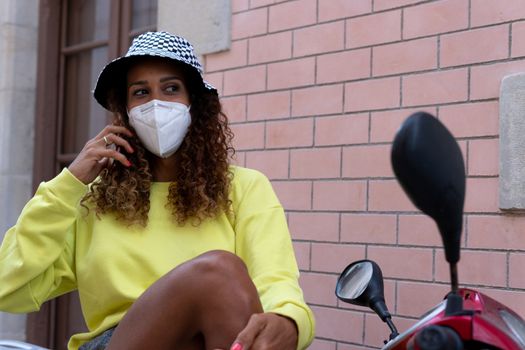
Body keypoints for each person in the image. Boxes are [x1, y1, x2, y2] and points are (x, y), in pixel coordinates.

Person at [0, 31, 315, 350]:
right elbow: (7, 288)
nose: (155, 104)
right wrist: (68, 184)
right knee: (217, 273)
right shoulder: (92, 200)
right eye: (141, 92)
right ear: (125, 111)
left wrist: (288, 320)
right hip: (114, 342)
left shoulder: (246, 188)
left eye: (171, 88)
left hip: (209, 339)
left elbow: (277, 283)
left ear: (194, 103)